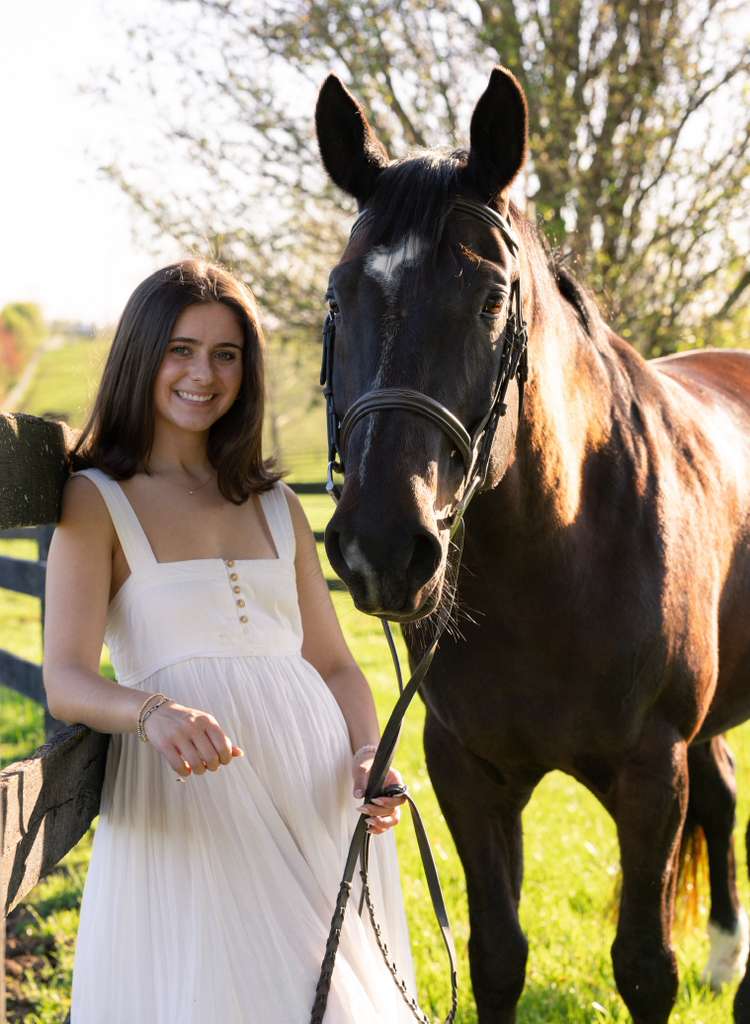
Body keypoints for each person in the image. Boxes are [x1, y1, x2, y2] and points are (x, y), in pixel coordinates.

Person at [43, 259, 417, 1023]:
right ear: (141, 356)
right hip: (193, 804)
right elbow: (67, 678)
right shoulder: (96, 500)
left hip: (317, 798)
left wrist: (368, 755)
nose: (201, 375)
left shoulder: (276, 502)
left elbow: (337, 664)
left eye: (225, 355)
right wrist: (152, 712)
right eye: (180, 349)